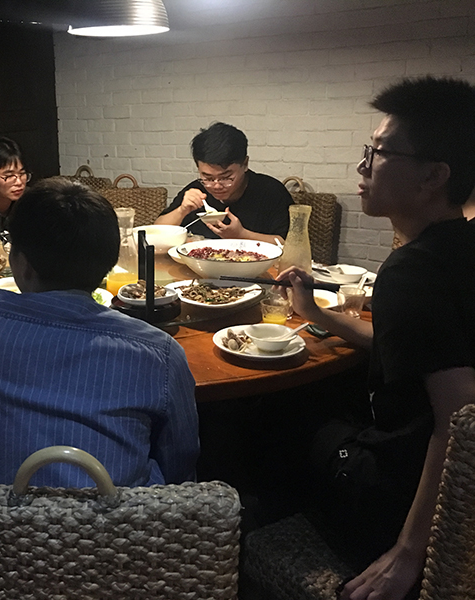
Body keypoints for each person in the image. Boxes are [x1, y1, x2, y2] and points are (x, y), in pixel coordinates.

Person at [279, 76, 475, 600]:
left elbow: (460, 417)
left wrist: (409, 553)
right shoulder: (460, 245)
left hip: (408, 487)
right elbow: (418, 349)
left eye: (378, 153)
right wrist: (314, 312)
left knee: (273, 422)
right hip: (425, 467)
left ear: (433, 175)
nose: (362, 168)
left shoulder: (413, 271)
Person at [0, 178, 200, 487]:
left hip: (3, 513)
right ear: (109, 265)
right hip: (121, 516)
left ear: (21, 264)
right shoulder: (159, 351)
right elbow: (181, 460)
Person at [155, 122, 292, 244]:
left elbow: (288, 244)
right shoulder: (197, 191)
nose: (216, 185)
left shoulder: (271, 192)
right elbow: (156, 232)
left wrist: (240, 235)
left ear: (245, 164)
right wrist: (181, 210)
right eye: (208, 177)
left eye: (226, 177)